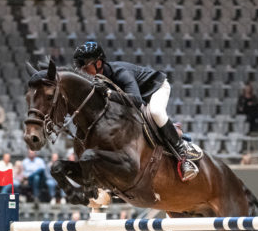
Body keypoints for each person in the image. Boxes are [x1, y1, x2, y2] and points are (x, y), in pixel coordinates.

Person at [73, 41, 199, 181]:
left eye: (85, 66)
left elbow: (137, 100)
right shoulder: (98, 79)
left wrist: (108, 93)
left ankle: (183, 153)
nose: (83, 71)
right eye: (81, 68)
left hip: (156, 89)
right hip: (137, 97)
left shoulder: (120, 72)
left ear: (98, 63)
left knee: (156, 112)